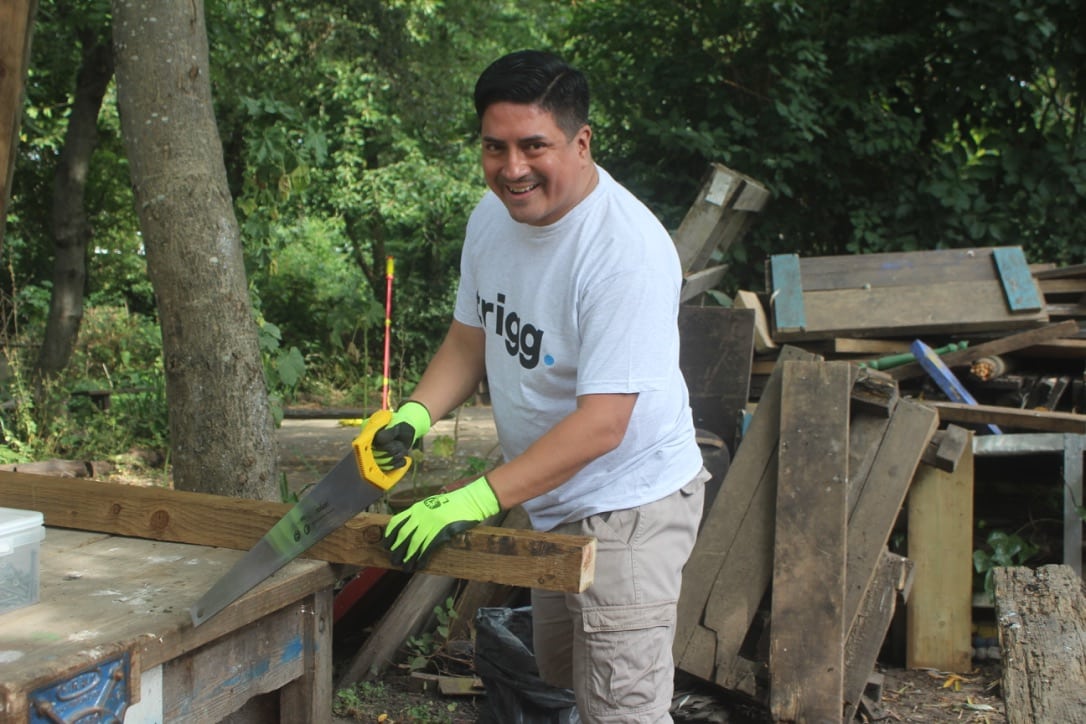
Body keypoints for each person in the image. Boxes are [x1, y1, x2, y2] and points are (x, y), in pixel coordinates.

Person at [373, 49, 708, 723]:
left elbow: (604, 424)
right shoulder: (492, 218)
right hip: (554, 498)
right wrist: (413, 414)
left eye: (533, 146)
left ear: (581, 142)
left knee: (624, 709)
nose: (512, 169)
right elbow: (470, 341)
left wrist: (472, 496)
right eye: (494, 148)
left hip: (628, 504)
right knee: (568, 683)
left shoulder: (626, 252)